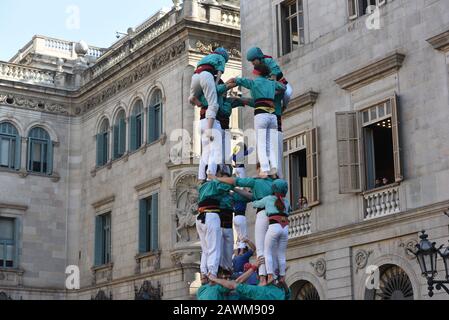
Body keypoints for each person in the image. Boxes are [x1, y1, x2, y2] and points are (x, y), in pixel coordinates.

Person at [211, 163, 277, 286]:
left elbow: (237, 180)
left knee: (261, 248)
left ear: (259, 169)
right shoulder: (274, 182)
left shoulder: (256, 182)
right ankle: (275, 274)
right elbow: (251, 196)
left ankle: (263, 277)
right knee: (274, 248)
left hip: (262, 213)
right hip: (277, 217)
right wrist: (235, 189)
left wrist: (217, 179)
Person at [227, 64, 286, 177]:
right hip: (273, 115)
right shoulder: (272, 83)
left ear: (257, 73)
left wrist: (228, 84)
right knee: (271, 145)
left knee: (262, 144)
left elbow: (237, 80)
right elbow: (283, 87)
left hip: (261, 115)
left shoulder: (254, 83)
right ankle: (274, 170)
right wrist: (274, 87)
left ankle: (264, 170)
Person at [190, 48, 230, 181]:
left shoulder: (205, 58)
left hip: (196, 76)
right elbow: (219, 72)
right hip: (211, 124)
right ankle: (210, 172)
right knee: (216, 150)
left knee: (205, 152)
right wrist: (217, 83)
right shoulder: (220, 59)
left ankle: (201, 177)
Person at [197, 165, 234, 281]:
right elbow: (229, 184)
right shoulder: (215, 184)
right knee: (214, 247)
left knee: (206, 248)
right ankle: (212, 273)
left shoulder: (202, 186)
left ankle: (203, 272)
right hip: (211, 216)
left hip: (200, 218)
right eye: (219, 174)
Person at [252, 179, 291, 284]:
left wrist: (253, 198)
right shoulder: (286, 202)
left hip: (274, 227)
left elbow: (256, 204)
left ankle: (269, 276)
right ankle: (282, 276)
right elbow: (289, 210)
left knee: (267, 252)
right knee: (281, 254)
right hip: (285, 228)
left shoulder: (268, 199)